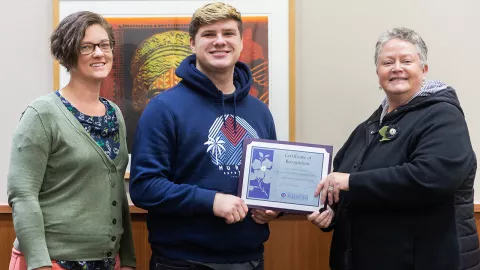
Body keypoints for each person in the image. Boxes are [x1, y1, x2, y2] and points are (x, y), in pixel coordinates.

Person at [308, 27, 479, 270]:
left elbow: (430, 177)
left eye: (406, 61)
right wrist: (332, 215)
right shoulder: (366, 128)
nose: (397, 67)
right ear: (378, 73)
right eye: (388, 62)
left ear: (424, 70)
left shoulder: (443, 117)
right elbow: (348, 185)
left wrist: (351, 182)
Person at [129, 2, 279, 270]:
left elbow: (270, 180)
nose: (219, 41)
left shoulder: (259, 112)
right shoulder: (164, 108)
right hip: (183, 262)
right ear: (192, 43)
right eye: (209, 34)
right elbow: (145, 187)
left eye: (228, 33)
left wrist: (274, 208)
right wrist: (211, 201)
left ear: (241, 42)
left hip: (250, 259)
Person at [7, 11, 136, 270]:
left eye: (104, 45)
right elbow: (22, 195)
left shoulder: (114, 114)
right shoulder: (42, 114)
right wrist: (41, 264)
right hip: (52, 262)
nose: (99, 53)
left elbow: (117, 193)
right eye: (86, 47)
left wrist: (129, 258)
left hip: (108, 261)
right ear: (67, 53)